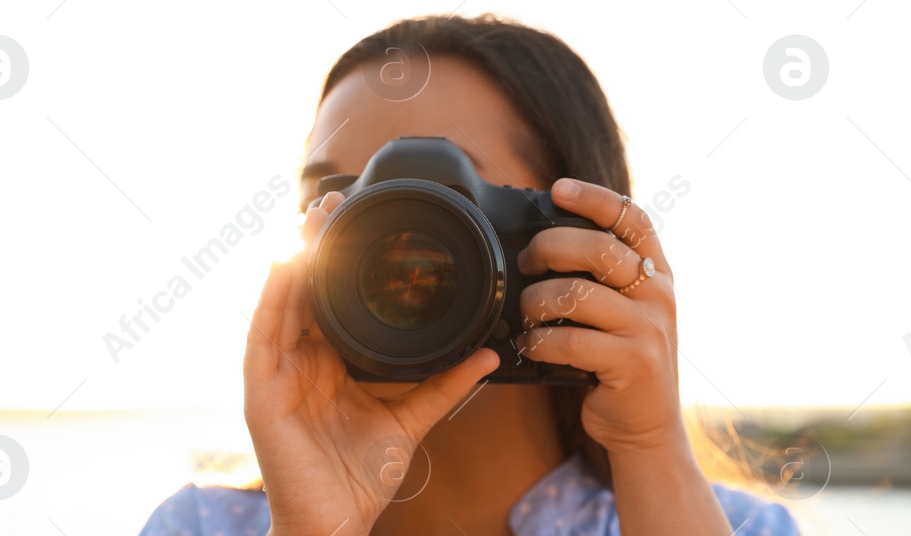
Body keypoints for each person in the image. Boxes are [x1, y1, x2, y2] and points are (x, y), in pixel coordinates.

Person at [139, 14, 800, 536]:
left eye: (435, 195)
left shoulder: (733, 529)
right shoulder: (198, 528)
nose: (376, 233)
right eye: (337, 193)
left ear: (579, 239)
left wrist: (650, 448)